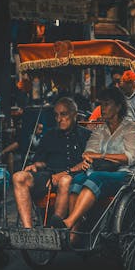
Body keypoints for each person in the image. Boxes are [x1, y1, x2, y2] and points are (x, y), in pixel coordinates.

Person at [55, 87, 135, 239]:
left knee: (96, 178)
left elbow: (130, 157)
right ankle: (74, 235)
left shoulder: (130, 128)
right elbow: (89, 152)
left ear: (118, 106)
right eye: (101, 104)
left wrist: (100, 155)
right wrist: (90, 157)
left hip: (124, 174)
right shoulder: (100, 130)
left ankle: (69, 222)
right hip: (98, 171)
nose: (102, 108)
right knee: (77, 180)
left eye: (107, 104)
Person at [12, 97, 91, 228]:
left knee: (64, 180)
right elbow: (41, 161)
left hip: (73, 178)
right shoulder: (49, 135)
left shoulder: (86, 136)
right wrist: (36, 165)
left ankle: (55, 229)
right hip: (49, 176)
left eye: (63, 114)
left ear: (74, 115)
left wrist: (65, 173)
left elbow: (88, 164)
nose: (59, 119)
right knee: (18, 177)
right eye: (56, 115)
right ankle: (28, 230)